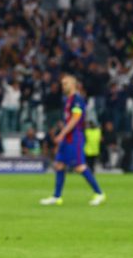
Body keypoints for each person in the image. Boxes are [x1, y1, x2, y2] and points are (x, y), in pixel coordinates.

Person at [40, 74, 106, 207]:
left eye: (66, 83)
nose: (63, 86)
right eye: (62, 83)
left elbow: (75, 120)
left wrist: (62, 133)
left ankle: (99, 193)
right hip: (68, 137)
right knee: (59, 165)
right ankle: (56, 197)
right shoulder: (68, 99)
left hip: (74, 137)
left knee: (80, 166)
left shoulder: (77, 99)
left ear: (74, 85)